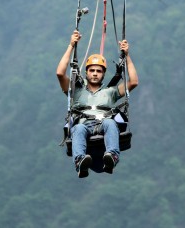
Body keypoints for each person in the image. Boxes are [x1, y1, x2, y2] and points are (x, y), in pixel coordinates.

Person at [57, 30, 139, 178]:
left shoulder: (110, 92)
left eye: (99, 71)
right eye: (92, 70)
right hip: (84, 124)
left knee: (110, 122)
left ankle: (111, 157)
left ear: (103, 74)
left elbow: (133, 82)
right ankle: (80, 161)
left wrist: (127, 55)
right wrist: (71, 45)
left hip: (103, 125)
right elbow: (60, 74)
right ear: (86, 73)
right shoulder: (76, 91)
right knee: (79, 128)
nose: (95, 73)